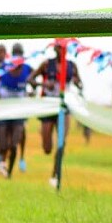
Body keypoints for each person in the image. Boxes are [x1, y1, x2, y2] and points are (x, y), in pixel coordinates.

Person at [30, 46, 84, 188]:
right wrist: (43, 83)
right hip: (48, 107)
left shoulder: (72, 66)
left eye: (64, 48)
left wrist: (77, 83)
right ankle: (43, 133)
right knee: (47, 148)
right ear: (55, 48)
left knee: (61, 143)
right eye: (59, 48)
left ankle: (54, 176)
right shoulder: (46, 64)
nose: (62, 50)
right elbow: (30, 79)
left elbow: (80, 83)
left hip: (64, 108)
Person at [0, 42, 33, 178]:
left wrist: (33, 89)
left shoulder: (27, 69)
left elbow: (34, 80)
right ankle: (1, 162)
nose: (17, 57)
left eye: (19, 54)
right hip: (4, 110)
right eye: (15, 54)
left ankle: (9, 173)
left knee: (15, 144)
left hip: (19, 112)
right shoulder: (3, 67)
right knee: (3, 142)